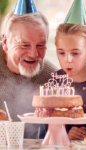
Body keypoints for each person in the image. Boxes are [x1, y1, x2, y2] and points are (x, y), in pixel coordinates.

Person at [0, 10, 57, 139]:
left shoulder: (51, 77)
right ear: (5, 43)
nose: (33, 54)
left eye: (40, 45)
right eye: (25, 45)